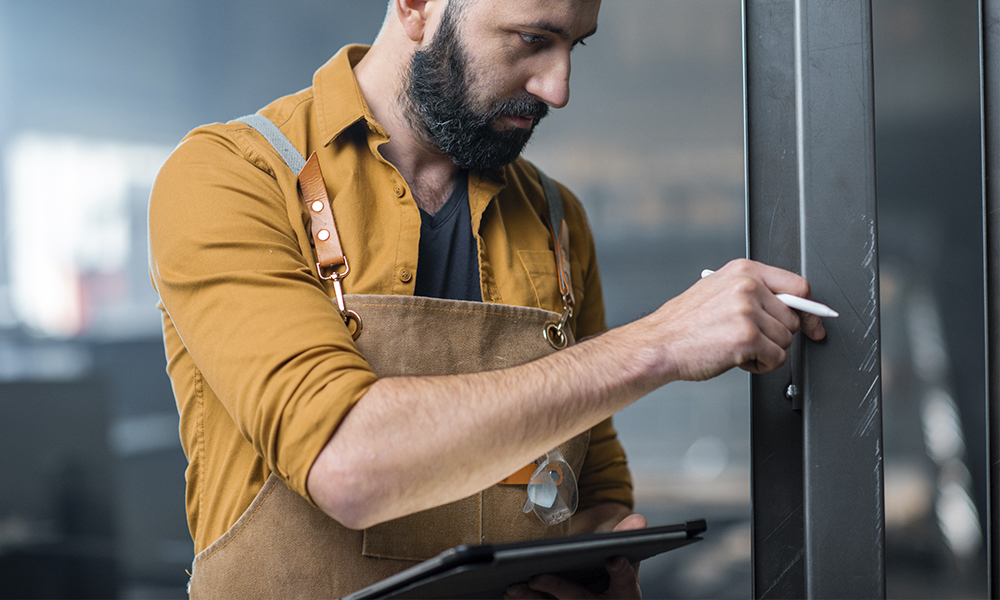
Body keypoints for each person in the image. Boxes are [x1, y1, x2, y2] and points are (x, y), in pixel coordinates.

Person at [148, 0, 826, 597]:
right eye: (534, 39)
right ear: (416, 7)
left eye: (574, 45)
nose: (558, 88)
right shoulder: (231, 178)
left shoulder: (557, 219)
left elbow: (592, 482)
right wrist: (663, 341)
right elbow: (351, 466)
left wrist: (602, 561)